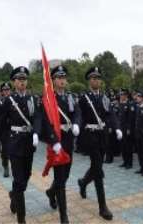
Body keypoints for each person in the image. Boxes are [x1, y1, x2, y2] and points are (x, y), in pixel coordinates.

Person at [0, 67, 39, 224]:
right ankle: (22, 218)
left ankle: (14, 195)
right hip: (15, 142)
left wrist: (36, 133)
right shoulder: (9, 100)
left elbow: (37, 118)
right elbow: (1, 122)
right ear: (14, 82)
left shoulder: (32, 99)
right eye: (19, 80)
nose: (22, 82)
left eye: (24, 79)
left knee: (26, 177)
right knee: (19, 179)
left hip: (29, 143)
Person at [37, 65, 81, 224]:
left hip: (69, 140)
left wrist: (76, 123)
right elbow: (45, 122)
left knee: (66, 175)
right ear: (53, 80)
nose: (62, 80)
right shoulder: (49, 99)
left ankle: (50, 192)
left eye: (64, 77)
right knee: (60, 179)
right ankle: (64, 216)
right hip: (56, 141)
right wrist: (53, 141)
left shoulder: (70, 96)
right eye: (59, 78)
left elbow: (77, 112)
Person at [76, 66, 120, 221]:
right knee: (98, 170)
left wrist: (117, 127)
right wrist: (77, 128)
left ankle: (83, 182)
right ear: (89, 81)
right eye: (93, 78)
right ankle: (103, 207)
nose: (96, 81)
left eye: (98, 78)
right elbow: (80, 116)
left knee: (96, 167)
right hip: (90, 136)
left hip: (103, 136)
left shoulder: (105, 97)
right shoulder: (84, 98)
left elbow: (111, 114)